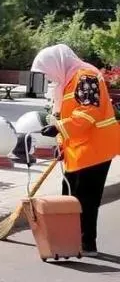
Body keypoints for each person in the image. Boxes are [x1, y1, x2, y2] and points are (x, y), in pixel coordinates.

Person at [31, 43, 119, 256]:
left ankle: (87, 244)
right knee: (70, 196)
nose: (49, 76)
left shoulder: (86, 76)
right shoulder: (69, 80)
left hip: (95, 149)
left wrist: (59, 128)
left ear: (57, 63)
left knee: (86, 199)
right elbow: (70, 114)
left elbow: (89, 112)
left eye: (47, 70)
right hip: (79, 149)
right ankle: (70, 242)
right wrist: (61, 144)